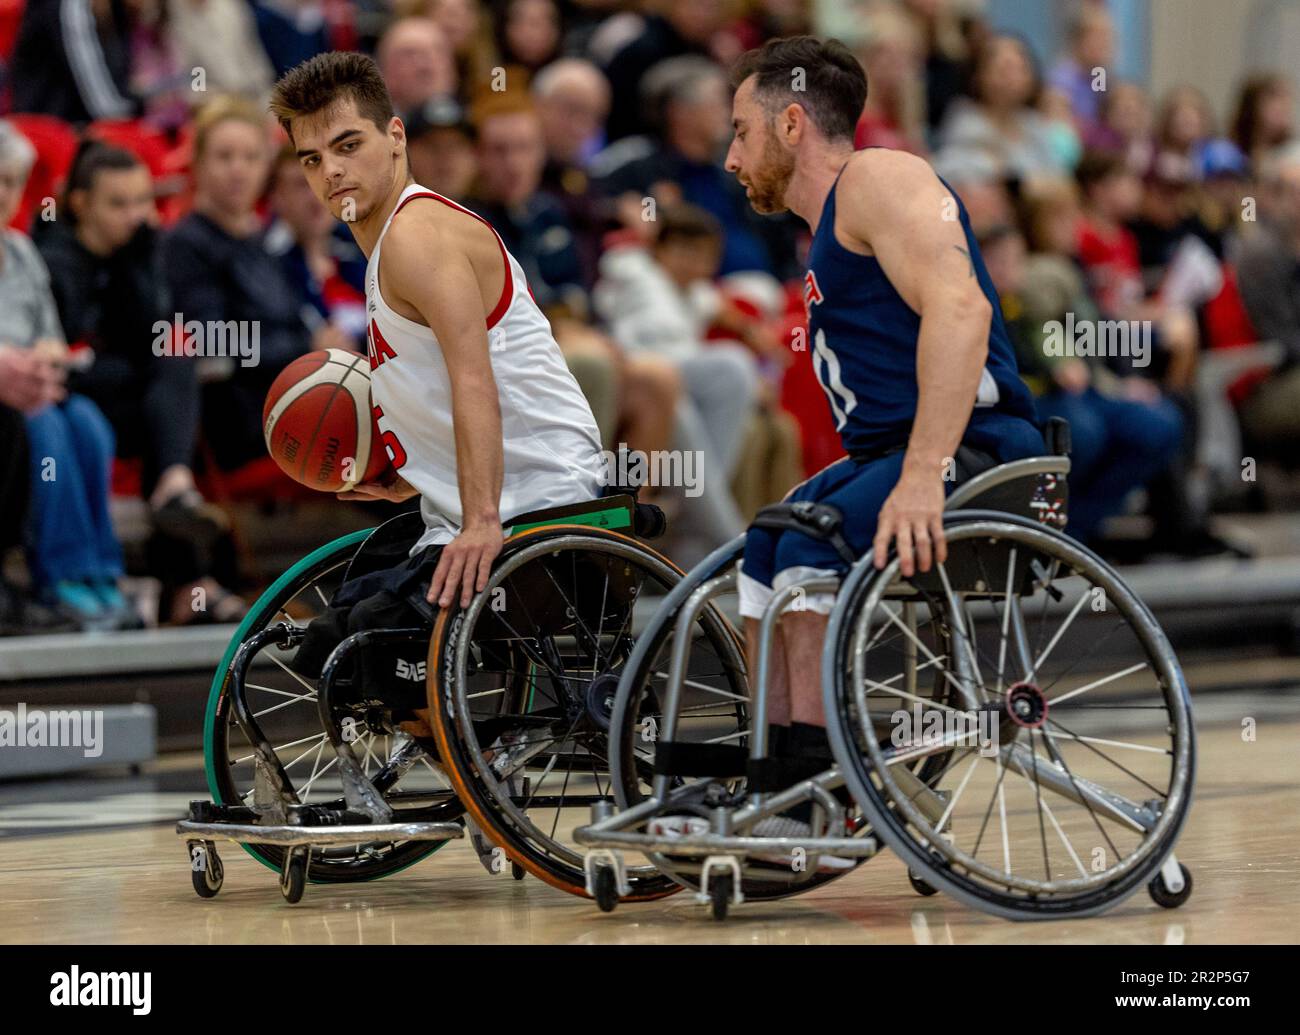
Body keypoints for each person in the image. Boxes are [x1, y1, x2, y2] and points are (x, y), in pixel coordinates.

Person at [718, 36, 1043, 852]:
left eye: (740, 133)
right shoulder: (832, 223)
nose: (729, 157)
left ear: (792, 123)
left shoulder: (880, 178)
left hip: (977, 448)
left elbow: (961, 312)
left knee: (803, 549)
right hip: (897, 455)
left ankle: (820, 787)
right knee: (767, 543)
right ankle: (775, 773)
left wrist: (926, 475)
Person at [267, 50, 607, 721]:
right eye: (311, 159)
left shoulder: (416, 237)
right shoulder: (387, 243)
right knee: (342, 625)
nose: (331, 171)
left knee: (359, 649)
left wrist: (481, 519)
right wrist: (410, 476)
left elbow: (473, 377)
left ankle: (477, 789)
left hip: (535, 508)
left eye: (347, 145)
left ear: (395, 138)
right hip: (490, 500)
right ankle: (476, 789)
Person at [0, 120, 136, 630]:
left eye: (12, 182)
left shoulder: (22, 252)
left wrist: (47, 358)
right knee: (48, 427)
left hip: (35, 386)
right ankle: (62, 574)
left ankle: (102, 572)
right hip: (10, 401)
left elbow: (52, 335)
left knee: (88, 422)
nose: (4, 193)